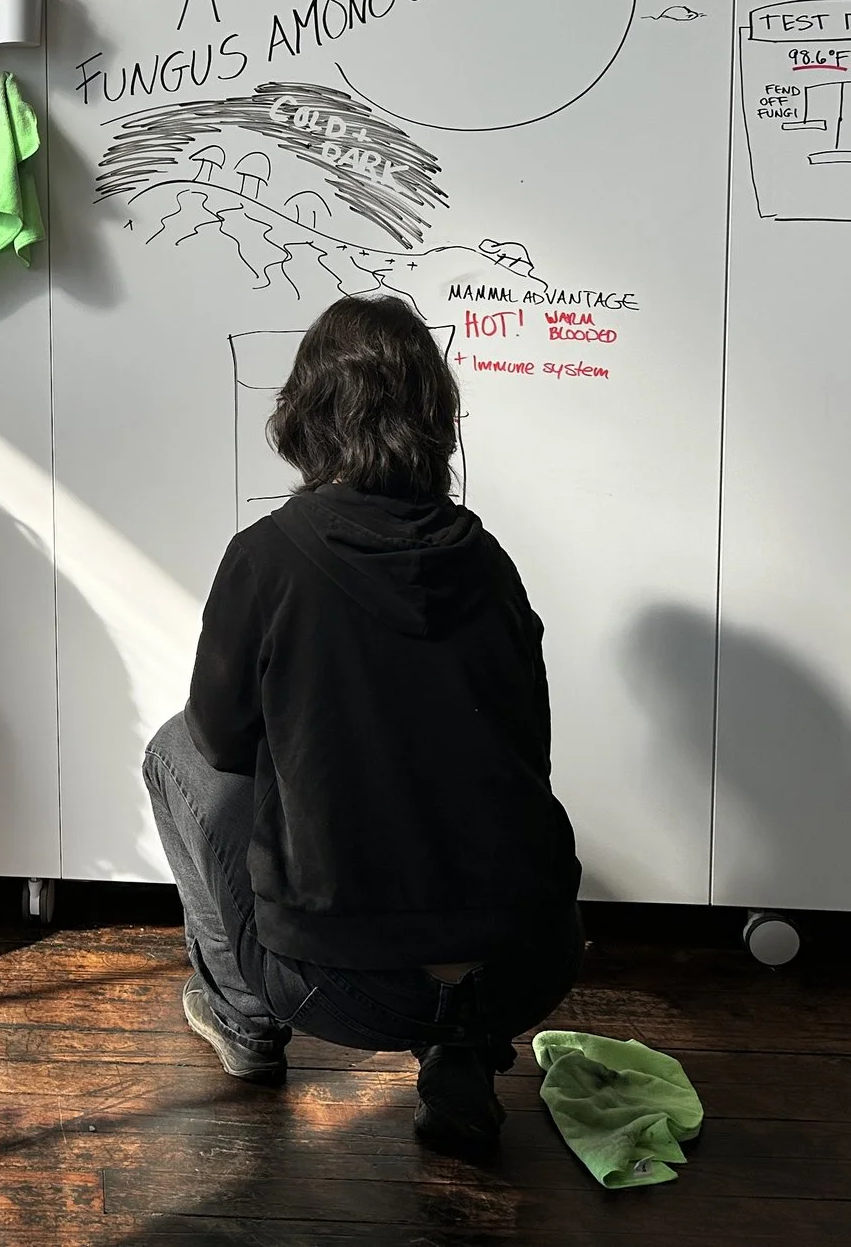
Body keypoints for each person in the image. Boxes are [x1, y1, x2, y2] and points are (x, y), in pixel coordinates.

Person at [142, 293, 581, 1157]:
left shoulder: (268, 555)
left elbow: (221, 744)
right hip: (526, 968)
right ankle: (462, 1050)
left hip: (340, 988)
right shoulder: (486, 559)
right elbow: (530, 747)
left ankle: (244, 1024)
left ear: (307, 414)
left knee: (173, 752)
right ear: (435, 420)